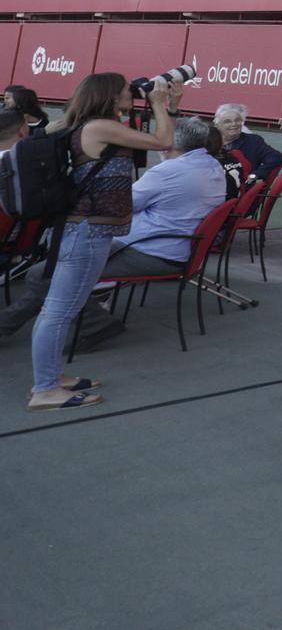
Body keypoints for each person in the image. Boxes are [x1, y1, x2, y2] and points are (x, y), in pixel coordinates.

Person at [24, 72, 179, 412]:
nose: (131, 94)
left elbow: (163, 139)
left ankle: (51, 376)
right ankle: (45, 389)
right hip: (85, 231)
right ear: (109, 96)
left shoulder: (100, 125)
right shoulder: (97, 127)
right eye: (126, 91)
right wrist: (157, 102)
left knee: (65, 308)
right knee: (59, 309)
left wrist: (167, 104)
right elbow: (164, 142)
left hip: (87, 230)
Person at [214, 103, 282, 184]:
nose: (234, 124)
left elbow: (276, 157)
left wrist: (255, 174)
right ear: (218, 125)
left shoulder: (253, 141)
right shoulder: (209, 141)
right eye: (227, 121)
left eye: (237, 120)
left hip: (238, 188)